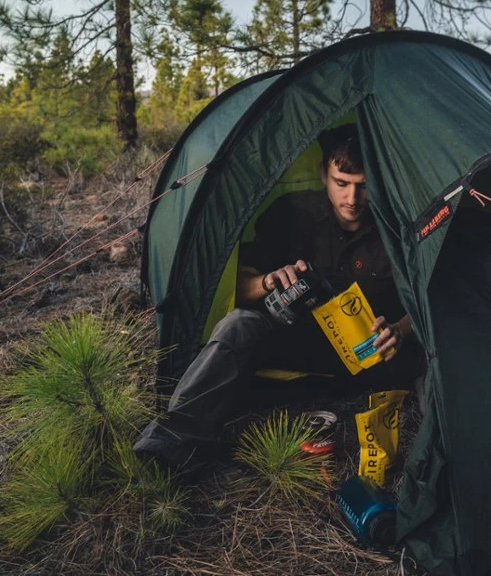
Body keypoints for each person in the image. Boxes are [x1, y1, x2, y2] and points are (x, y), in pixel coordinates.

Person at [134, 125, 423, 470]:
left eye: (363, 186)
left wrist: (400, 330)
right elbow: (233, 287)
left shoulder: (396, 226)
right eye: (341, 183)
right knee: (239, 324)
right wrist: (266, 282)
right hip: (293, 346)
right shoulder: (292, 212)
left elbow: (426, 298)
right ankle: (170, 444)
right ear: (323, 175)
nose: (352, 199)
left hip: (372, 358)